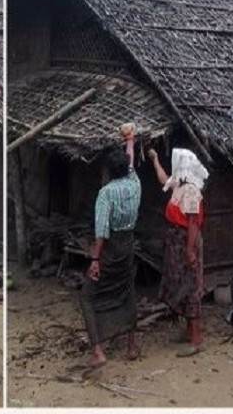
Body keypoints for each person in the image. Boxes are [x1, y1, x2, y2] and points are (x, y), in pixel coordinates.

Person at [79, 122, 141, 368]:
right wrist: (130, 140)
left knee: (88, 296)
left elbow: (101, 232)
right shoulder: (135, 185)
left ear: (108, 171)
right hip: (128, 247)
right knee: (126, 290)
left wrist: (95, 260)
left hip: (111, 248)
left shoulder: (106, 193)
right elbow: (131, 161)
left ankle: (98, 351)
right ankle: (131, 345)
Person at [147, 146, 209, 357]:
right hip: (177, 241)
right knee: (180, 284)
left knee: (191, 285)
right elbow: (164, 180)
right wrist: (155, 160)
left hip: (186, 240)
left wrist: (190, 250)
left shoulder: (191, 190)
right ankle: (188, 331)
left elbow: (193, 222)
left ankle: (196, 338)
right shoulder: (179, 184)